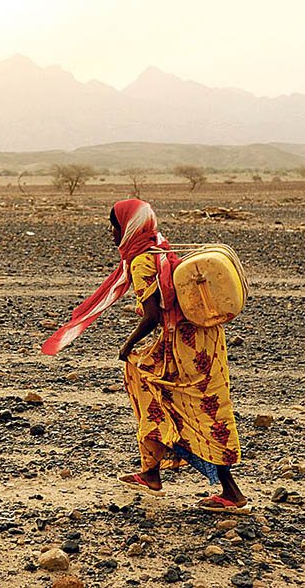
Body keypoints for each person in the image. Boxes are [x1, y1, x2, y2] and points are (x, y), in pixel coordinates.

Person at [42, 199, 247, 511]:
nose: (112, 232)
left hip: (187, 346)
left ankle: (232, 494)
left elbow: (152, 315)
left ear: (129, 228)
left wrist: (127, 345)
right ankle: (151, 473)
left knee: (198, 411)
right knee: (153, 392)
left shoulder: (141, 261)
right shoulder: (158, 246)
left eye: (115, 225)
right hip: (204, 339)